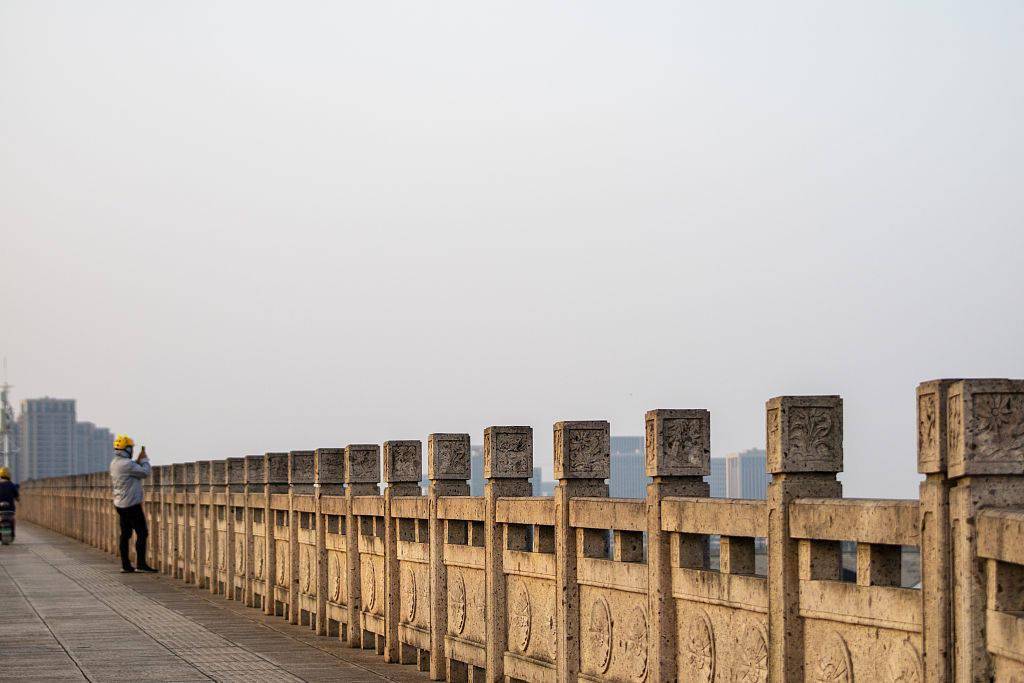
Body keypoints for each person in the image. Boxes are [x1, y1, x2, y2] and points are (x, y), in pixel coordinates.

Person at [110, 434, 156, 573]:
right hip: (132, 505)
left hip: (120, 504)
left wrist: (138, 461)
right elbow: (145, 473)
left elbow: (132, 469)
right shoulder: (127, 464)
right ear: (126, 449)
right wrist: (145, 459)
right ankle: (141, 564)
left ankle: (126, 565)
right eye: (130, 448)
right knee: (142, 533)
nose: (132, 451)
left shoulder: (115, 463)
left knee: (125, 534)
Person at [0, 467, 18, 539]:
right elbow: (17, 496)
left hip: (0, 508)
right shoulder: (12, 485)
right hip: (10, 508)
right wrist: (18, 499)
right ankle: (12, 534)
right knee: (12, 519)